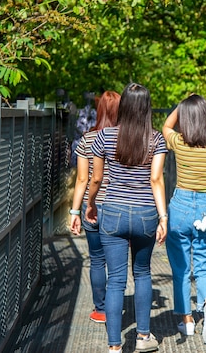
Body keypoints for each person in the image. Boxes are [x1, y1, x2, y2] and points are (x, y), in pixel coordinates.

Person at [87, 83, 168, 353]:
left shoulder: (105, 137)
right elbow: (156, 179)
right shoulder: (156, 139)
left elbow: (96, 177)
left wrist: (89, 204)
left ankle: (114, 347)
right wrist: (163, 217)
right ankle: (143, 337)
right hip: (145, 213)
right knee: (143, 273)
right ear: (147, 107)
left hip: (113, 212)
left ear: (124, 106)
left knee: (116, 280)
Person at [162, 94, 206, 345]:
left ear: (186, 117)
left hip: (180, 207)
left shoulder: (180, 142)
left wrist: (180, 107)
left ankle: (187, 320)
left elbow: (165, 126)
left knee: (181, 267)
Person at [69, 91, 121, 324]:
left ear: (98, 111)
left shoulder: (87, 139)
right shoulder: (127, 138)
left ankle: (101, 309)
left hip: (94, 205)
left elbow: (82, 179)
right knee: (117, 261)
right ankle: (115, 306)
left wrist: (75, 211)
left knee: (97, 259)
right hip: (120, 205)